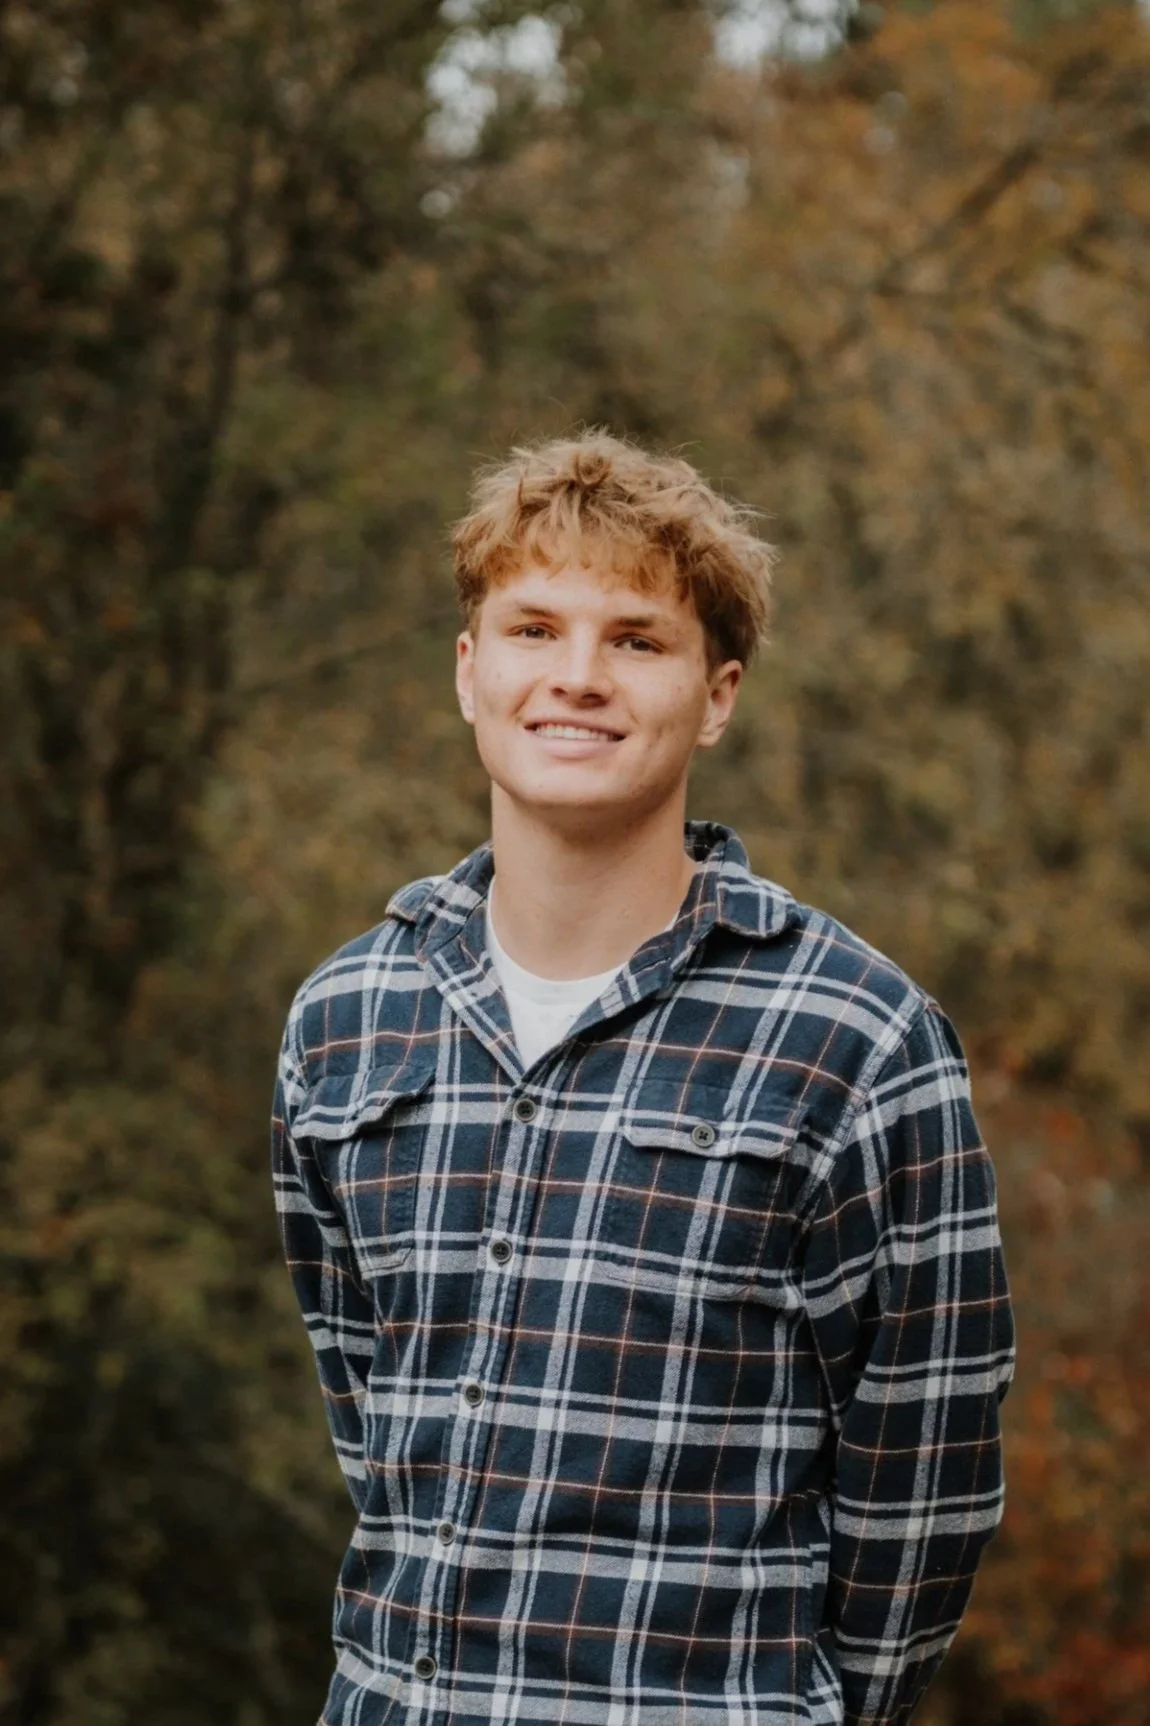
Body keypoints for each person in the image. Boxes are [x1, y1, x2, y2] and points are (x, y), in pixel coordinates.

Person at [272, 430, 1015, 1726]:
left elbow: (924, 1481)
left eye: (635, 638)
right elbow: (374, 1423)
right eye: (532, 628)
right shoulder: (345, 1019)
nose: (575, 677)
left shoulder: (855, 1037)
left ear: (715, 696)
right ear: (468, 670)